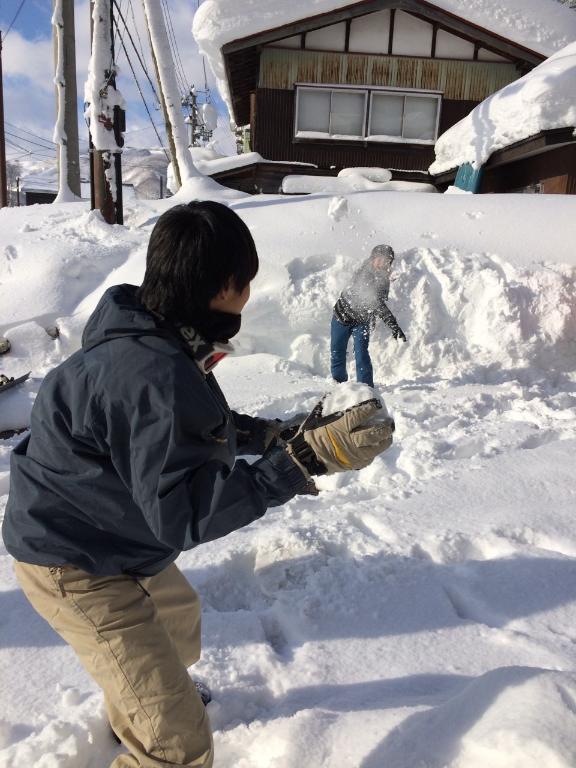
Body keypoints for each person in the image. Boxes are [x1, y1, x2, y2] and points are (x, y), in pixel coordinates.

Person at [2, 201, 394, 768]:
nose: (248, 296)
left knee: (178, 620)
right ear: (223, 287)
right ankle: (154, 720)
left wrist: (274, 436)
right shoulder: (151, 373)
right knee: (178, 744)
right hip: (71, 558)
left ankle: (144, 700)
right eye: (246, 282)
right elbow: (184, 514)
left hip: (109, 526)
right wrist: (301, 461)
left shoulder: (154, 333)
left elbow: (186, 429)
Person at [331, 244, 407, 388]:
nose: (383, 263)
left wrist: (392, 325)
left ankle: (366, 388)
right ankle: (339, 385)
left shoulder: (383, 279)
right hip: (341, 317)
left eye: (387, 261)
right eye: (380, 259)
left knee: (362, 354)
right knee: (337, 352)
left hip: (362, 321)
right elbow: (376, 303)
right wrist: (393, 325)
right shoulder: (363, 273)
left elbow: (380, 301)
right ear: (373, 258)